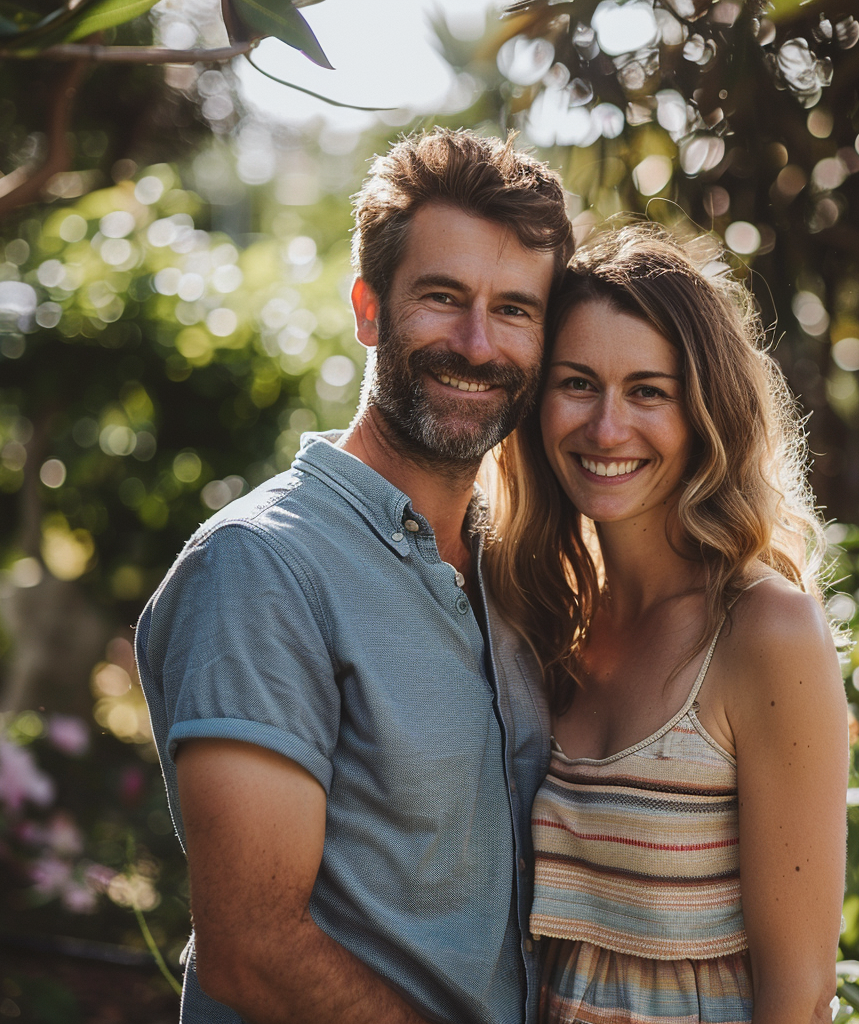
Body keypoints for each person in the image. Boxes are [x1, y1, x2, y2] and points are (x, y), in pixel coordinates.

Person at [135, 128, 574, 1024]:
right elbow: (252, 950)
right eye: (442, 298)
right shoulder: (263, 567)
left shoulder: (509, 570)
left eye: (516, 310)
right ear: (369, 309)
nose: (479, 345)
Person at [488, 223, 849, 1024]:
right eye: (577, 383)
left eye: (648, 390)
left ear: (704, 411)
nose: (607, 428)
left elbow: (801, 995)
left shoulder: (765, 631)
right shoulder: (554, 618)